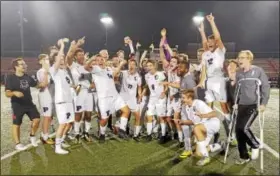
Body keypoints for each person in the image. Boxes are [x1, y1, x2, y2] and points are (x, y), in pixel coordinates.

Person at [197, 13, 231, 143]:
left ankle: (230, 133)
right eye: (208, 42)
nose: (209, 43)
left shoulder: (220, 51)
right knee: (208, 108)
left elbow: (217, 37)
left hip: (219, 80)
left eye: (212, 42)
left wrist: (211, 22)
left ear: (216, 44)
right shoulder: (205, 54)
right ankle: (212, 133)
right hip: (209, 82)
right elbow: (205, 44)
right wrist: (202, 32)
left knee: (223, 107)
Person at [234, 50, 270, 164]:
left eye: (242, 58)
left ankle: (255, 145)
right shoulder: (239, 74)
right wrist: (236, 102)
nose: (240, 60)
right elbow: (237, 90)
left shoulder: (258, 70)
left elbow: (265, 87)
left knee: (244, 128)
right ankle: (244, 156)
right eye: (239, 58)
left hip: (254, 105)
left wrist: (263, 103)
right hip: (241, 105)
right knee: (238, 132)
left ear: (249, 59)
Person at [5, 57, 48, 151]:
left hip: (29, 104)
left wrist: (46, 74)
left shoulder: (27, 77)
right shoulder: (10, 78)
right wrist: (14, 93)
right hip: (17, 105)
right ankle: (18, 143)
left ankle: (32, 136)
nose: (25, 66)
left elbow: (39, 85)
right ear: (16, 67)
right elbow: (7, 93)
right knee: (17, 124)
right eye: (22, 64)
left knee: (36, 120)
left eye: (25, 64)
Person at [88, 51, 130, 143]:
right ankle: (102, 134)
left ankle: (122, 130)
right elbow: (86, 67)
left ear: (105, 60)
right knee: (104, 119)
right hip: (104, 99)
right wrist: (91, 59)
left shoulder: (108, 69)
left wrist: (121, 64)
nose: (100, 61)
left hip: (115, 96)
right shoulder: (95, 69)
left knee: (126, 111)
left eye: (102, 59)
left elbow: (114, 74)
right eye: (98, 60)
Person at [179, 89, 222, 166]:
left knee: (196, 128)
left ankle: (206, 157)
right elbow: (194, 122)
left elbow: (214, 113)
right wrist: (183, 122)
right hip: (202, 127)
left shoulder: (198, 103)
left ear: (190, 98)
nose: (182, 99)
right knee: (198, 153)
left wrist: (203, 115)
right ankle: (220, 145)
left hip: (213, 123)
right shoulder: (187, 107)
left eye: (183, 98)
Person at [49, 38, 75, 154]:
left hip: (68, 101)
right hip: (61, 102)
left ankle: (61, 140)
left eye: (62, 59)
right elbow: (59, 58)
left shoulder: (64, 72)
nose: (62, 60)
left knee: (69, 122)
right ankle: (57, 147)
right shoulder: (53, 71)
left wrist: (75, 87)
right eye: (59, 59)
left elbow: (70, 86)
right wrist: (62, 47)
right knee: (63, 123)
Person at [159, 46, 183, 146]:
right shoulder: (169, 70)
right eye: (171, 61)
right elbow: (163, 58)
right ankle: (175, 134)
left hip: (178, 97)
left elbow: (179, 85)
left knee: (177, 119)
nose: (171, 63)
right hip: (171, 97)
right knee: (168, 118)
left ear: (177, 64)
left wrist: (167, 84)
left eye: (174, 62)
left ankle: (182, 140)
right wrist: (161, 45)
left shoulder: (179, 72)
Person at [143, 59, 168, 142]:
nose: (149, 67)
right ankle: (149, 134)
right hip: (152, 98)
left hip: (160, 99)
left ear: (154, 66)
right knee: (149, 116)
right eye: (147, 66)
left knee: (161, 117)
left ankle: (163, 135)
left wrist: (164, 92)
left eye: (150, 65)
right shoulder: (146, 76)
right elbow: (148, 85)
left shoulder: (160, 74)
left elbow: (166, 84)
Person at [119, 59, 142, 141]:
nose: (131, 65)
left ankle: (136, 135)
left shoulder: (138, 77)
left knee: (138, 116)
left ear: (136, 66)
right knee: (126, 112)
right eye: (130, 64)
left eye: (133, 64)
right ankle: (122, 130)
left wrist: (139, 96)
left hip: (132, 99)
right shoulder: (124, 73)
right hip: (123, 97)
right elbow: (116, 73)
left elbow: (139, 87)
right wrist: (120, 64)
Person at [37, 54, 55, 145]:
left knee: (50, 116)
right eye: (45, 59)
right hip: (45, 96)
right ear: (40, 61)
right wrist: (47, 72)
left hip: (51, 96)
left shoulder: (50, 70)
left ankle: (44, 134)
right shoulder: (41, 71)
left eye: (48, 59)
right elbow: (44, 84)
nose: (47, 61)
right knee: (47, 116)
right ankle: (45, 137)